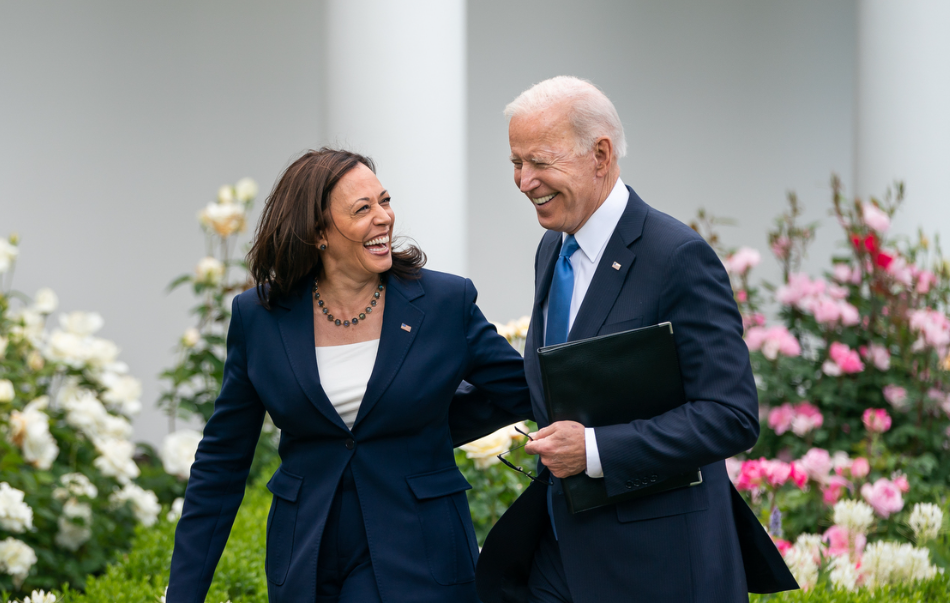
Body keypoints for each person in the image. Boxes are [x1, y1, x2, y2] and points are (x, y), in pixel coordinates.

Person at [474, 76, 797, 602]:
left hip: (657, 567)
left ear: (600, 155)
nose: (524, 180)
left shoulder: (677, 258)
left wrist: (595, 450)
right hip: (559, 559)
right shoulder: (552, 250)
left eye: (539, 162)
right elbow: (558, 383)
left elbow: (730, 415)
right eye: (516, 162)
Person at [165, 148, 532, 603]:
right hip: (306, 557)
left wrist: (433, 426)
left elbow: (522, 391)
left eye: (384, 201)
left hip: (419, 553)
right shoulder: (258, 316)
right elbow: (222, 461)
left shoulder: (442, 301)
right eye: (363, 209)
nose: (384, 218)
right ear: (318, 232)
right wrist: (183, 593)